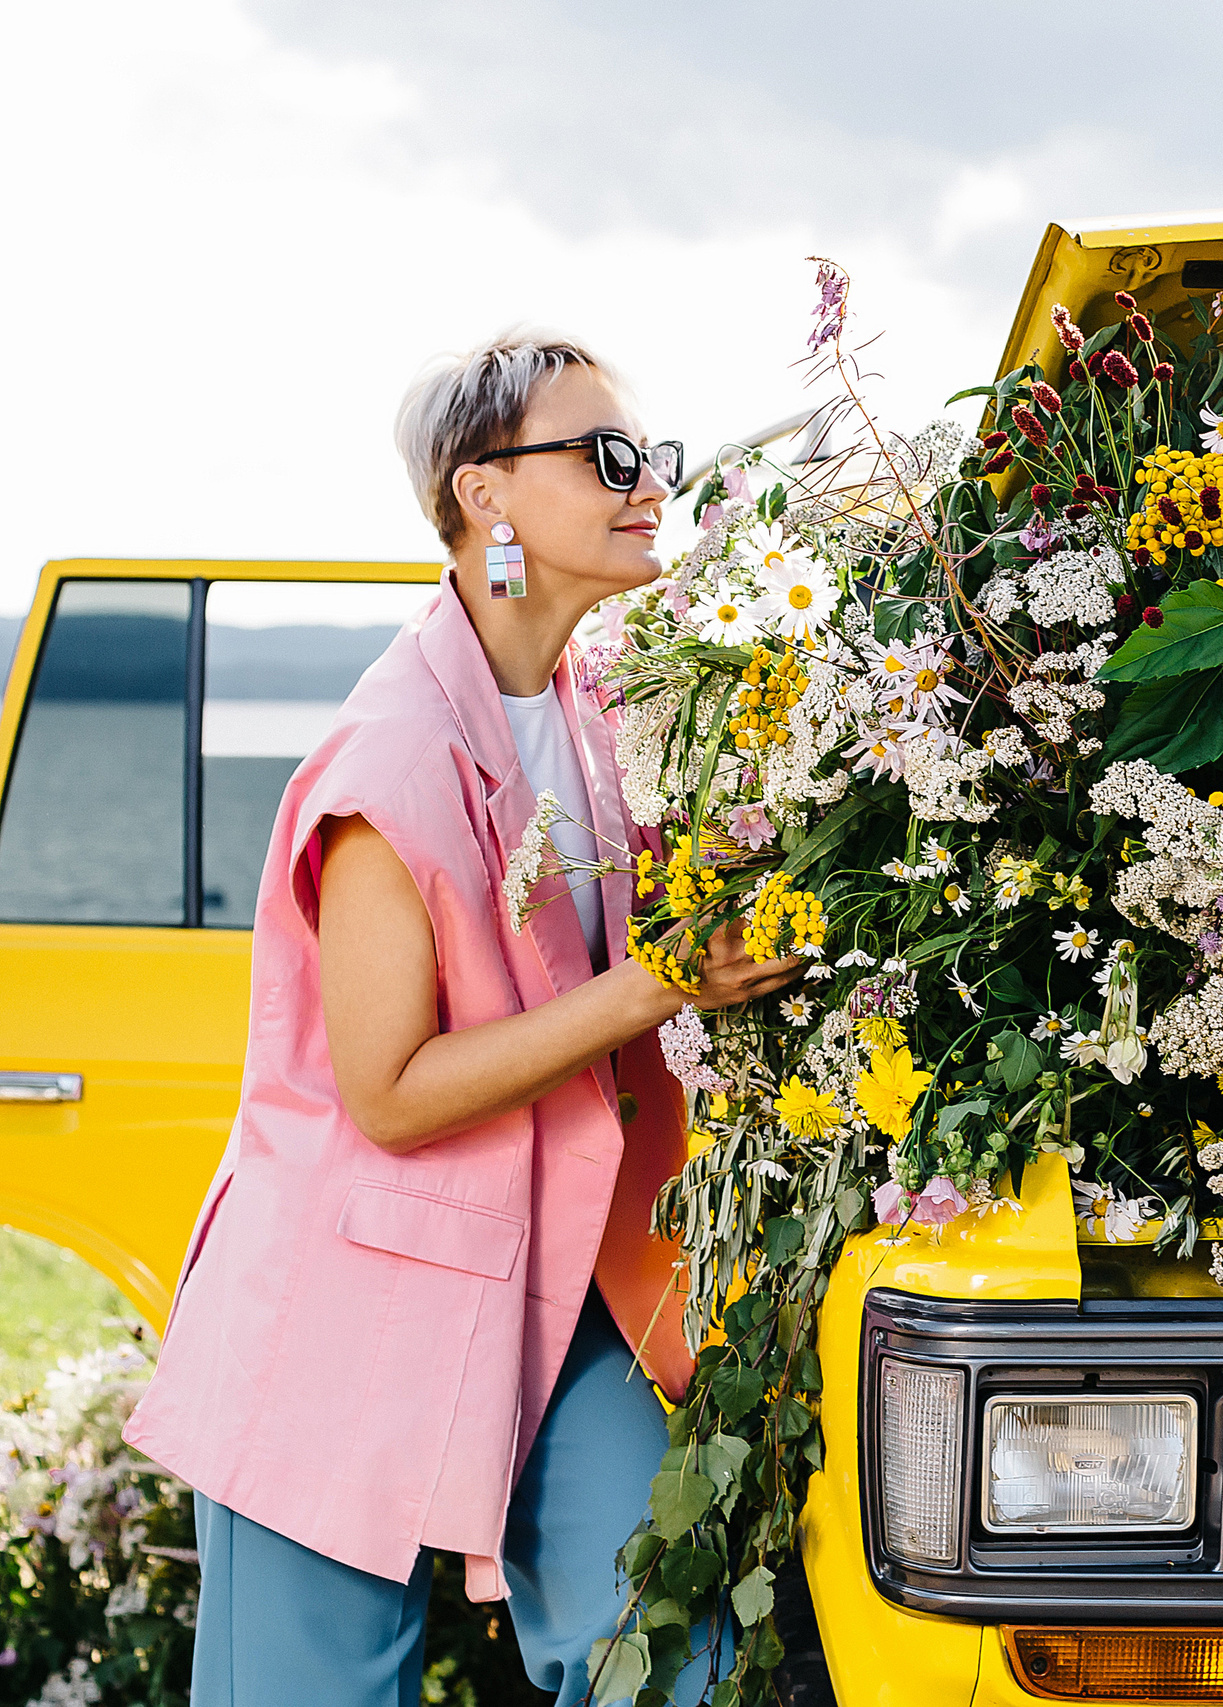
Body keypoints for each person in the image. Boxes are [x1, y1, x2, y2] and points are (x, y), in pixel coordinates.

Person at [125, 331, 799, 1705]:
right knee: (305, 1692)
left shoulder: (594, 706)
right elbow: (388, 1088)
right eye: (605, 457)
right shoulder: (392, 760)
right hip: (345, 1290)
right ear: (485, 497)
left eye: (649, 455)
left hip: (558, 1275)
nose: (646, 482)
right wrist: (661, 979)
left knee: (663, 1656)